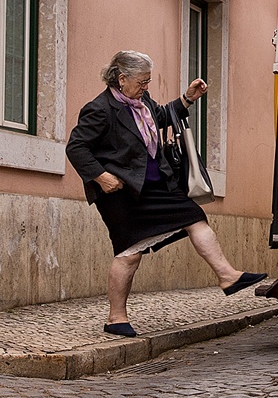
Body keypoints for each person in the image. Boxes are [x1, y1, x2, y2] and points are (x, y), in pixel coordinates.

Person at [66, 50, 266, 337]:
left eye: (148, 81)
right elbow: (76, 147)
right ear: (121, 79)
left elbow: (160, 117)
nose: (146, 87)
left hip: (156, 185)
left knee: (194, 216)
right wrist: (101, 176)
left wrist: (187, 99)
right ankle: (115, 318)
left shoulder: (142, 101)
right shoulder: (100, 109)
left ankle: (227, 276)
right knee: (129, 253)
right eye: (142, 81)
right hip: (121, 192)